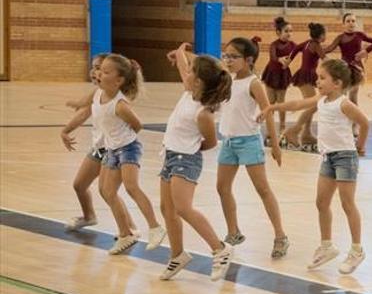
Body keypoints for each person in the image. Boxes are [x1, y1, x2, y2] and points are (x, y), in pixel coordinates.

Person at [264, 59, 370, 274]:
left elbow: (365, 122)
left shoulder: (343, 103)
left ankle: (357, 249)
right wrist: (274, 106)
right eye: (318, 77)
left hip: (345, 157)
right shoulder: (321, 100)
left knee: (347, 204)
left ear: (337, 83)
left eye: (322, 78)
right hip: (328, 157)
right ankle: (327, 245)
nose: (317, 81)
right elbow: (297, 105)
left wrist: (359, 146)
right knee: (321, 203)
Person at [158, 43, 234, 281]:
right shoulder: (188, 92)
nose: (185, 73)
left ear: (199, 81)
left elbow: (210, 142)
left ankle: (220, 249)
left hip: (186, 159)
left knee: (183, 208)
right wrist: (180, 52)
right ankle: (177, 254)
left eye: (191, 71)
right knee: (166, 208)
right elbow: (182, 67)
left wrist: (188, 149)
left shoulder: (204, 112)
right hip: (170, 155)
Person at [216, 37, 289, 258]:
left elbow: (268, 112)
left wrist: (274, 144)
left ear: (248, 59)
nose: (228, 61)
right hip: (228, 142)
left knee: (262, 189)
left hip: (248, 141)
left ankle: (280, 236)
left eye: (233, 57)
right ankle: (234, 231)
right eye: (226, 56)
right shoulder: (227, 80)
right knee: (222, 187)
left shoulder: (254, 83)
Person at [91, 53, 167, 255]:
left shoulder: (120, 104)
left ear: (119, 81)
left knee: (132, 187)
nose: (99, 73)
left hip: (128, 148)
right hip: (112, 149)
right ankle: (126, 234)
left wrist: (122, 140)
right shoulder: (97, 95)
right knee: (107, 191)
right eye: (99, 69)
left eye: (106, 71)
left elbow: (137, 125)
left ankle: (155, 226)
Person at [59, 54, 133, 234]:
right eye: (94, 67)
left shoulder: (114, 96)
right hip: (98, 149)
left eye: (100, 68)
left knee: (108, 192)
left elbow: (134, 124)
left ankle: (130, 228)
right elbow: (83, 112)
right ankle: (89, 216)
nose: (95, 72)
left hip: (112, 150)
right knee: (79, 185)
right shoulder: (98, 93)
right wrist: (65, 130)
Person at [284, 22, 328, 151]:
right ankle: (293, 131)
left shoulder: (308, 43)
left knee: (311, 105)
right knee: (314, 104)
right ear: (321, 36)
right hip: (306, 76)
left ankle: (306, 134)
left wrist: (289, 60)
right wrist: (340, 65)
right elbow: (325, 59)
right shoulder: (316, 45)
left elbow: (296, 48)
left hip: (305, 75)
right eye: (325, 33)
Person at [323, 12, 372, 105]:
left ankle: (354, 118)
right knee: (342, 95)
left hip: (357, 69)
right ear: (343, 24)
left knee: (353, 96)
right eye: (348, 21)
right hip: (344, 69)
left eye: (353, 21)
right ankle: (342, 116)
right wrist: (317, 50)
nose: (351, 23)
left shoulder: (360, 35)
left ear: (355, 23)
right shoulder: (340, 37)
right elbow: (329, 48)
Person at [261, 17, 296, 136]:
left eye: (291, 31)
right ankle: (270, 128)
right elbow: (273, 57)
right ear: (278, 32)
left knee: (281, 102)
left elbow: (301, 50)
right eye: (286, 31)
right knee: (270, 102)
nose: (289, 33)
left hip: (283, 75)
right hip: (271, 74)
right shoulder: (274, 45)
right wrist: (280, 60)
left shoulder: (293, 45)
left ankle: (282, 127)